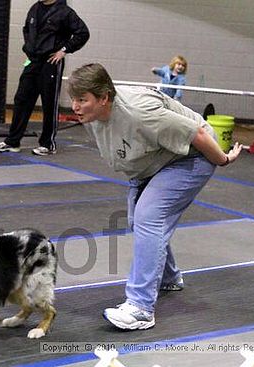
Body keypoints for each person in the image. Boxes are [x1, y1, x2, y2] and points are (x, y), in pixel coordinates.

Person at [67, 63, 242, 330]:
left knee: (149, 217)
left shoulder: (139, 113)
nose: (75, 106)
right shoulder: (94, 116)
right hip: (154, 160)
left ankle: (140, 308)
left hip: (193, 155)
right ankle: (169, 277)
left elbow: (197, 134)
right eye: (73, 99)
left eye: (82, 100)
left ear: (103, 98)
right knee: (139, 220)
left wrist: (223, 159)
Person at [0, 0, 89, 156]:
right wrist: (29, 48)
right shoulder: (35, 8)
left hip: (51, 61)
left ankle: (48, 144)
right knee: (22, 99)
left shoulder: (65, 12)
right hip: (33, 60)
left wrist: (64, 50)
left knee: (49, 103)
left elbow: (83, 33)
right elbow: (26, 30)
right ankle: (12, 141)